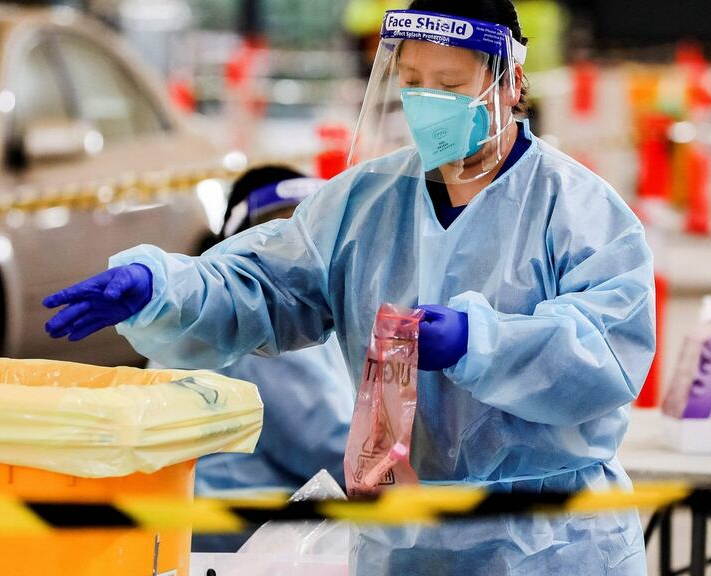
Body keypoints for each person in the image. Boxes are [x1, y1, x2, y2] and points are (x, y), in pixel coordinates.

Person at [44, 1, 655, 573]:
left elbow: (608, 348)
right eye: (414, 82)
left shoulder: (576, 209)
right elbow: (265, 283)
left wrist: (480, 342)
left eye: (449, 86)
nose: (427, 103)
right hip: (404, 546)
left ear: (510, 86)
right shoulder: (365, 202)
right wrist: (165, 286)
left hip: (548, 546)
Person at [147, 167, 355, 553]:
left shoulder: (221, 313)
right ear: (241, 246)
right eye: (278, 235)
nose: (300, 258)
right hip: (226, 545)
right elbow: (333, 448)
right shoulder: (256, 324)